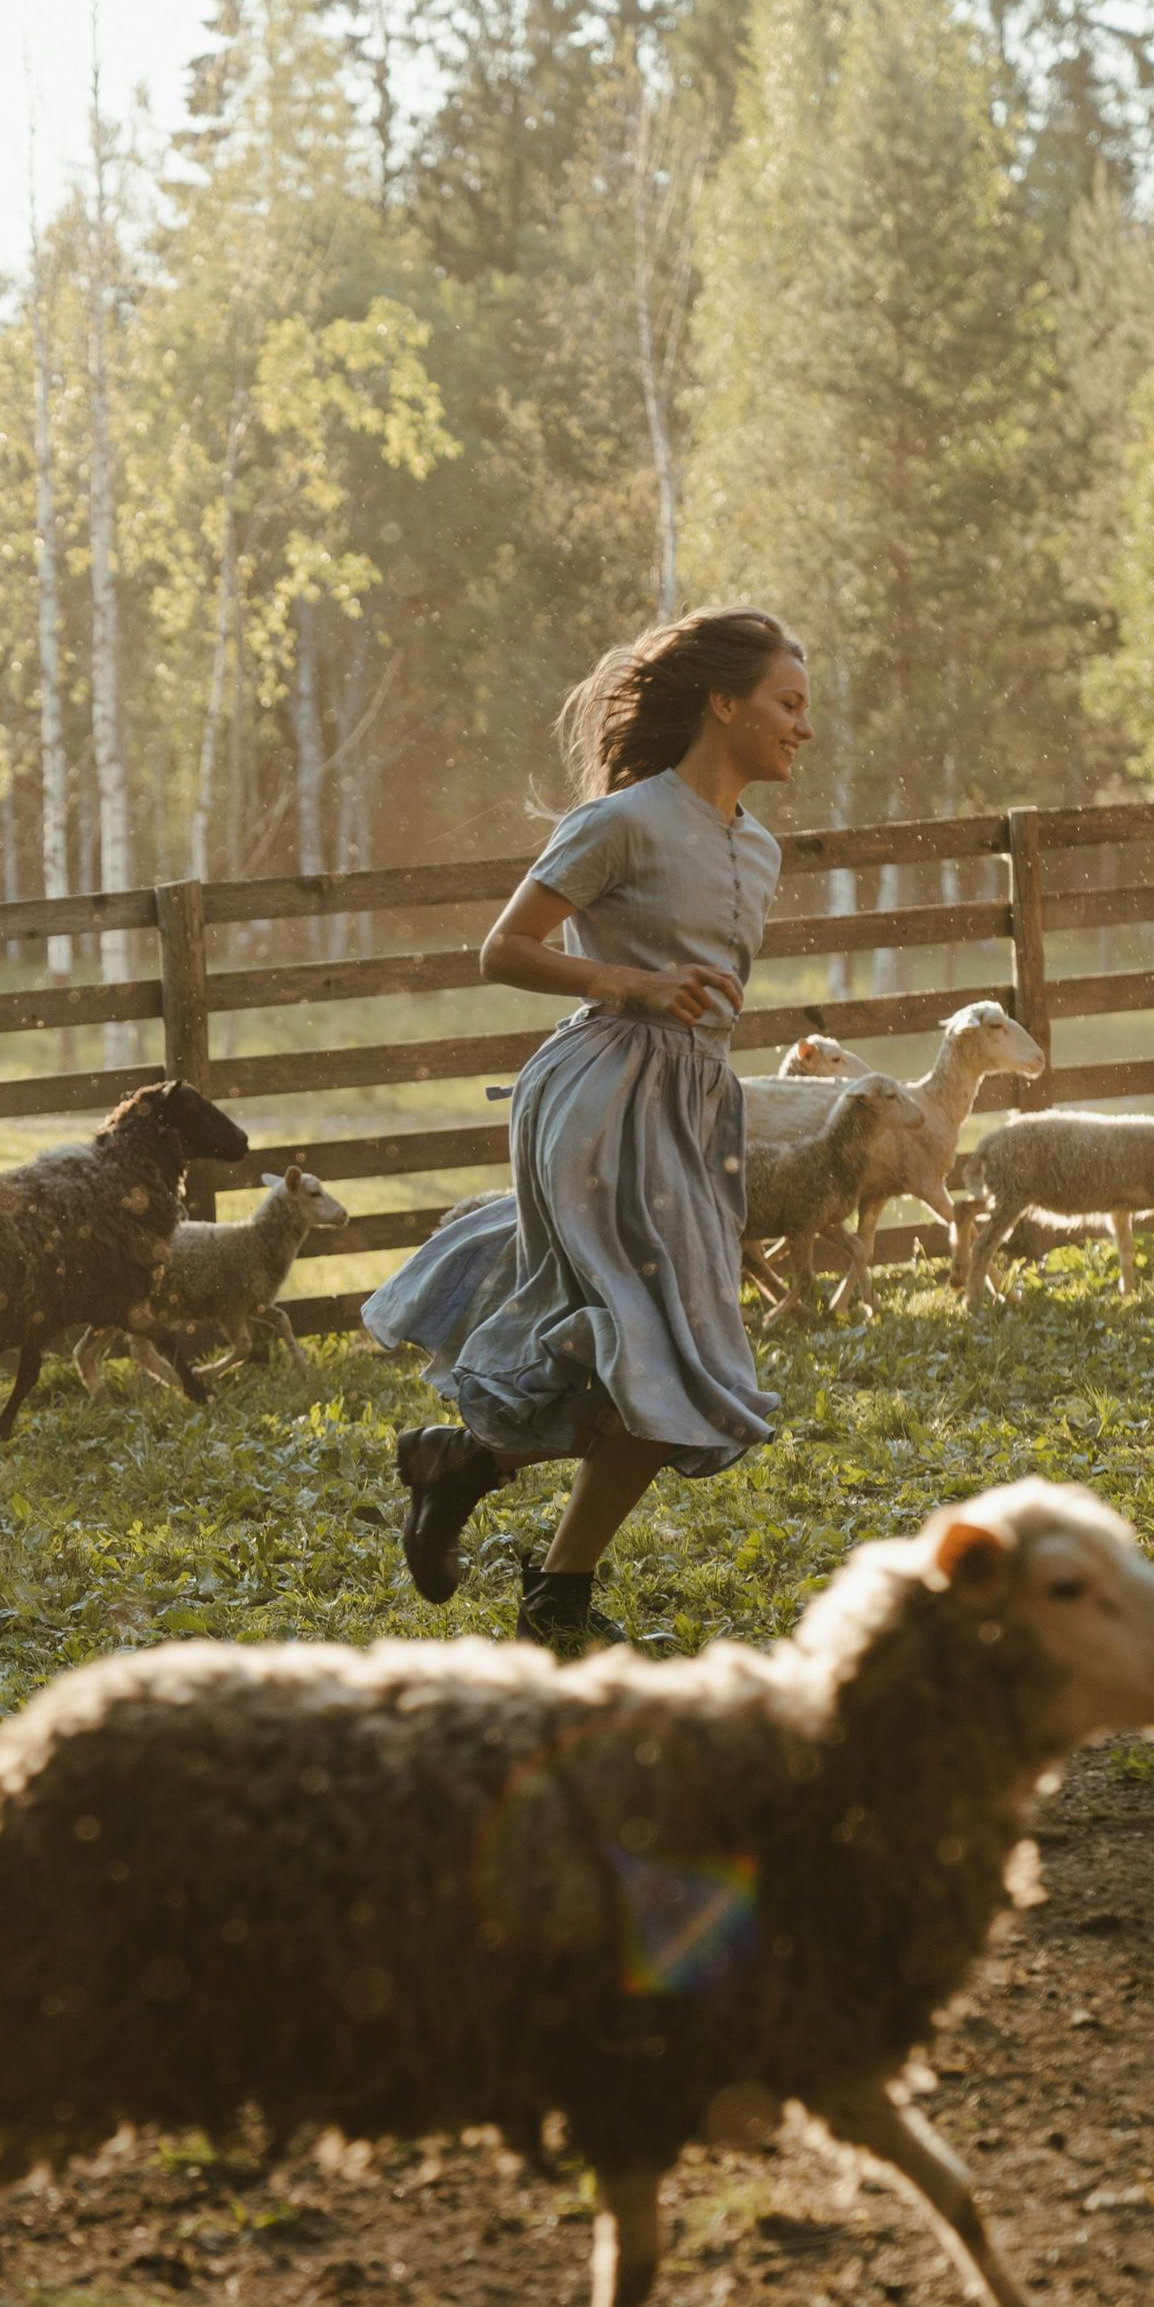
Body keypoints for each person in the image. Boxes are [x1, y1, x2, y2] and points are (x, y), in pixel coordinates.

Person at [377, 607, 810, 1650]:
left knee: (683, 1370)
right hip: (600, 1094)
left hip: (695, 1107)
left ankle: (492, 1504)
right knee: (650, 1346)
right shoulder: (622, 820)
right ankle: (527, 1555)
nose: (803, 728)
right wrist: (629, 981)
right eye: (786, 704)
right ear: (721, 702)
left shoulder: (757, 845)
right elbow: (502, 948)